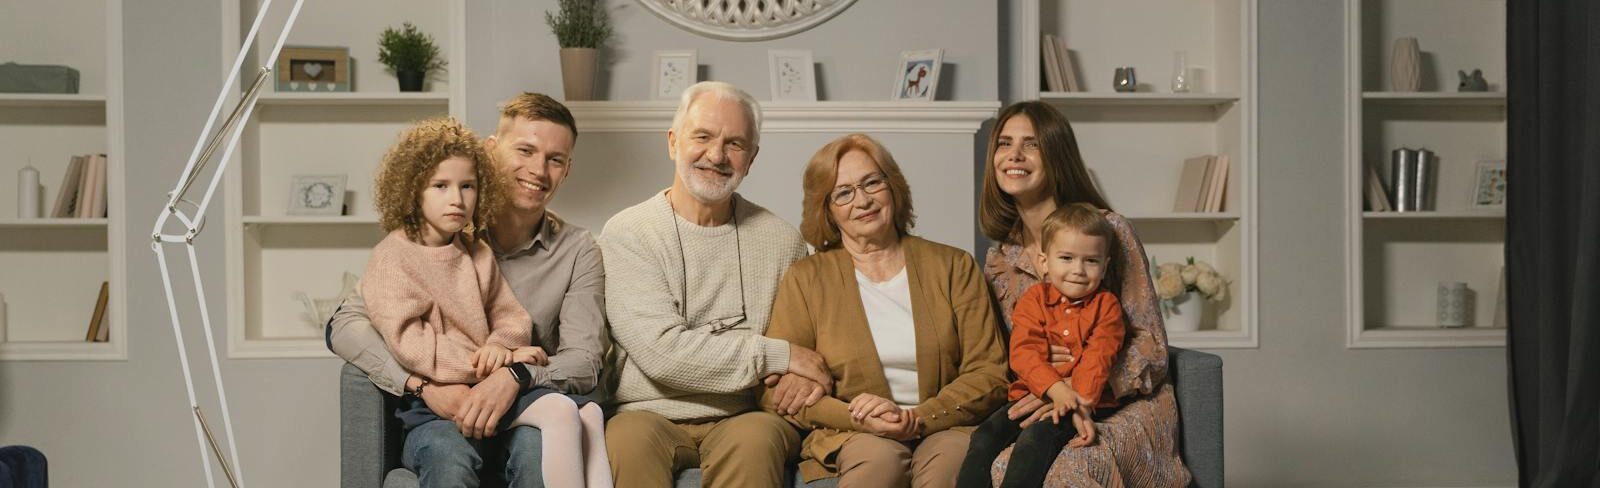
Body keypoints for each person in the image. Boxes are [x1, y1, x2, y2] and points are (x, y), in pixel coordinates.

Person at [328, 93, 608, 488]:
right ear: (490, 151)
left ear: (567, 170)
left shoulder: (576, 250)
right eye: (525, 150)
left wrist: (512, 373)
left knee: (541, 442)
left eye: (555, 159)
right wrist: (424, 385)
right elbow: (345, 325)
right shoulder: (437, 237)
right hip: (439, 410)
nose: (538, 170)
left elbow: (583, 359)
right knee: (448, 452)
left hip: (522, 404)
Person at [599, 81, 832, 488]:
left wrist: (798, 372)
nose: (716, 155)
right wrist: (776, 356)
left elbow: (806, 345)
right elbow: (662, 354)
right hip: (646, 413)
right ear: (673, 142)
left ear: (751, 159)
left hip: (747, 415)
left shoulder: (783, 240)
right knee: (627, 443)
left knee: (757, 441)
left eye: (735, 144)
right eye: (702, 137)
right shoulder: (628, 233)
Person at [759, 133, 1009, 488]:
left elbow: (990, 372)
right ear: (826, 208)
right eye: (843, 193)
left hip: (945, 424)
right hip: (854, 432)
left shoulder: (954, 266)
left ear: (892, 187)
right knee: (877, 464)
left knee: (950, 466)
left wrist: (918, 418)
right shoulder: (806, 279)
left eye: (872, 183)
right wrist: (858, 418)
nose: (862, 200)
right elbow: (776, 391)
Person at [977, 100, 1188, 486]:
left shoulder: (1110, 231)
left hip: (1122, 401)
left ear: (1057, 154)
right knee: (994, 458)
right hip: (1042, 396)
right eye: (1004, 143)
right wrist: (1050, 384)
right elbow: (1015, 349)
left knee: (1069, 467)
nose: (1014, 155)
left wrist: (1078, 385)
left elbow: (1153, 348)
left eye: (1032, 144)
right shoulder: (1001, 258)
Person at [958, 203, 1126, 487]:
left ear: (1105, 265)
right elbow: (1023, 354)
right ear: (1045, 261)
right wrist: (1056, 389)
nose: (1079, 270)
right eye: (1067, 258)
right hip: (1030, 394)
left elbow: (1099, 358)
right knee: (984, 437)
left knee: (1033, 442)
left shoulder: (1107, 306)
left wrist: (1078, 405)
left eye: (1091, 261)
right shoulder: (1034, 300)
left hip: (1080, 400)